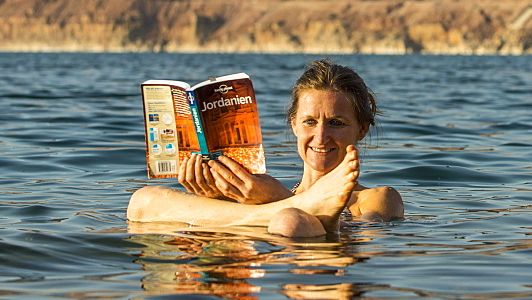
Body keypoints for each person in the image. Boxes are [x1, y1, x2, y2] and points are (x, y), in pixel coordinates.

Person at [127, 59, 404, 236]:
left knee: (290, 222)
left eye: (336, 122)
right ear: (293, 124)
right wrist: (217, 197)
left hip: (316, 266)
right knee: (141, 201)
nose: (321, 136)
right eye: (309, 121)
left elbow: (368, 238)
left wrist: (277, 198)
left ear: (362, 129)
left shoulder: (378, 198)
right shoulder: (258, 192)